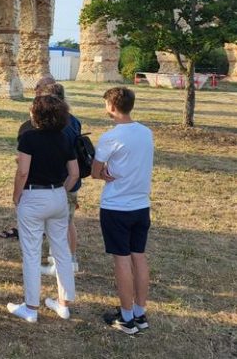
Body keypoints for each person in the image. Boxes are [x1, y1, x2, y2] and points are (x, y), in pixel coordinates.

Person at [7, 95, 79, 323]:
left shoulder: (28, 138)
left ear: (36, 114)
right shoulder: (64, 138)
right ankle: (63, 303)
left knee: (31, 252)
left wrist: (16, 194)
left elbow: (22, 171)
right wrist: (61, 190)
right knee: (61, 251)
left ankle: (31, 307)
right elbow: (74, 173)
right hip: (57, 195)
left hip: (33, 195)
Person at [92, 87, 154, 335]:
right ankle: (140, 312)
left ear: (111, 106)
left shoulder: (111, 137)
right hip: (141, 204)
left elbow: (96, 171)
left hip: (116, 206)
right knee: (138, 256)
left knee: (122, 260)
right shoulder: (146, 132)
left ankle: (126, 318)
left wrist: (103, 171)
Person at [0, 75, 56, 240]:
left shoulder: (30, 131)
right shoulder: (66, 124)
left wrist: (16, 194)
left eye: (40, 87)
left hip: (37, 183)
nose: (36, 89)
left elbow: (22, 166)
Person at [35, 83, 83, 275]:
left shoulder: (55, 124)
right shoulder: (74, 120)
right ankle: (68, 260)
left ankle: (63, 263)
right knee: (67, 221)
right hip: (71, 179)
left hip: (59, 180)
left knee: (59, 223)